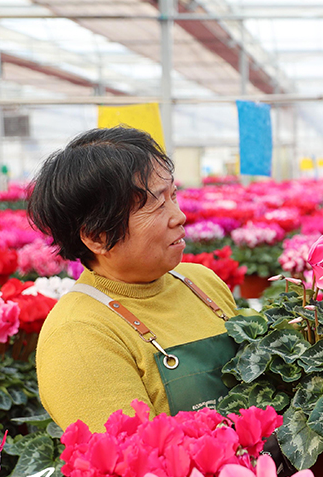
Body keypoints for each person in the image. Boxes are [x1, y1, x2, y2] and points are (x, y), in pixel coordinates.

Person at [28, 126, 239, 433]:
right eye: (156, 204)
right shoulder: (78, 334)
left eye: (173, 195)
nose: (179, 216)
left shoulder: (201, 281)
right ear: (97, 237)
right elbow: (134, 456)